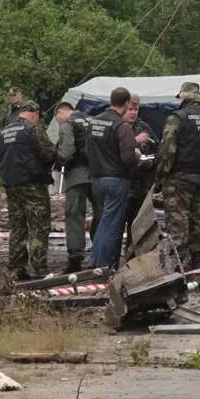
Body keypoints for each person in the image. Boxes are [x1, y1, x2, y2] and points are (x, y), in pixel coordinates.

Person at [156, 83, 200, 270]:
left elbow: (167, 151)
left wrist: (161, 175)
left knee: (178, 221)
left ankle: (177, 264)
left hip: (180, 179)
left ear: (183, 98)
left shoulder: (177, 118)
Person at [0, 99, 54, 280]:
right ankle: (40, 267)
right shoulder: (32, 129)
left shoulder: (3, 132)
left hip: (11, 184)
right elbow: (48, 153)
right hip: (32, 184)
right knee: (39, 225)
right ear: (34, 113)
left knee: (18, 227)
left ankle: (16, 267)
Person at [87, 87, 140, 269]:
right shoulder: (121, 126)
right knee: (111, 225)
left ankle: (95, 260)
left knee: (102, 220)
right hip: (116, 180)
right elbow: (127, 157)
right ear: (126, 104)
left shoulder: (94, 122)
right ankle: (102, 265)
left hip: (96, 179)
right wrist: (138, 155)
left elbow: (88, 150)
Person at [54, 100, 98, 273]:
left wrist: (58, 160)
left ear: (60, 113)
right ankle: (100, 251)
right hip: (98, 174)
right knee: (101, 214)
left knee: (74, 216)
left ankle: (75, 257)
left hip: (77, 176)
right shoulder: (94, 120)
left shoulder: (68, 124)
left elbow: (66, 153)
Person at [124, 94, 158, 253]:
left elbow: (158, 152)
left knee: (137, 225)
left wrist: (149, 161)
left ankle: (133, 254)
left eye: (136, 109)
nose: (133, 112)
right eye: (130, 109)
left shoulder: (144, 127)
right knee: (117, 225)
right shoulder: (117, 126)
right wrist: (136, 141)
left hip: (141, 185)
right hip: (122, 184)